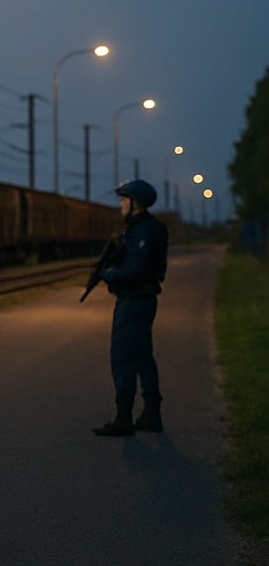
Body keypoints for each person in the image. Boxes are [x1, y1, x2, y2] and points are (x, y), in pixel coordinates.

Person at [92, 179, 169, 436]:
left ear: (135, 203)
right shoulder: (147, 228)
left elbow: (137, 269)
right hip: (143, 301)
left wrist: (111, 273)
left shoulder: (142, 231)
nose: (120, 205)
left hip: (134, 302)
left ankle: (123, 417)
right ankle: (151, 414)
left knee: (123, 357)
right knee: (142, 356)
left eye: (124, 200)